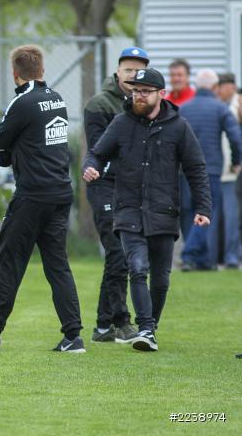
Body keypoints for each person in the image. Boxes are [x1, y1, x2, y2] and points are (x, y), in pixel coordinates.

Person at [0, 45, 84, 354]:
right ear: (42, 69)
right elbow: (37, 142)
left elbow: (1, 137)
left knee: (9, 263)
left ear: (15, 72)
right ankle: (73, 336)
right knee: (57, 265)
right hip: (61, 193)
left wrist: (1, 154)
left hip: (33, 196)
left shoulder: (22, 101)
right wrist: (6, 159)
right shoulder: (56, 99)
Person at [83, 67, 211, 352]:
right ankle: (145, 329)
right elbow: (96, 152)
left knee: (162, 279)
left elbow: (196, 168)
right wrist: (89, 167)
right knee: (137, 268)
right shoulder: (121, 123)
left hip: (163, 211)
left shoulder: (179, 127)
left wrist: (203, 207)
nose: (138, 96)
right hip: (128, 210)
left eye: (145, 91)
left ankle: (149, 327)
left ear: (160, 94)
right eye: (135, 90)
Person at [82, 47, 149, 343]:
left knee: (118, 254)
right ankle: (122, 321)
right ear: (118, 71)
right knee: (118, 251)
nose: (133, 76)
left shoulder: (146, 103)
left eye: (138, 71)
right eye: (128, 70)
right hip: (103, 184)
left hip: (131, 187)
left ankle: (102, 325)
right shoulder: (99, 104)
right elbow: (102, 149)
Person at [178, 69, 241, 270]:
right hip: (210, 169)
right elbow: (236, 138)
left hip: (184, 170)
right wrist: (235, 160)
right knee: (207, 211)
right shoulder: (220, 109)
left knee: (188, 211)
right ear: (215, 88)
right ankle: (189, 255)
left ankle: (202, 260)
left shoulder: (183, 109)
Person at [217, 72, 242, 269]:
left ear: (231, 87)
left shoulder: (237, 106)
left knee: (232, 214)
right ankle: (227, 255)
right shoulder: (222, 106)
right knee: (227, 215)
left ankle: (232, 256)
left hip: (234, 169)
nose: (218, 90)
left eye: (221, 86)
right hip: (224, 169)